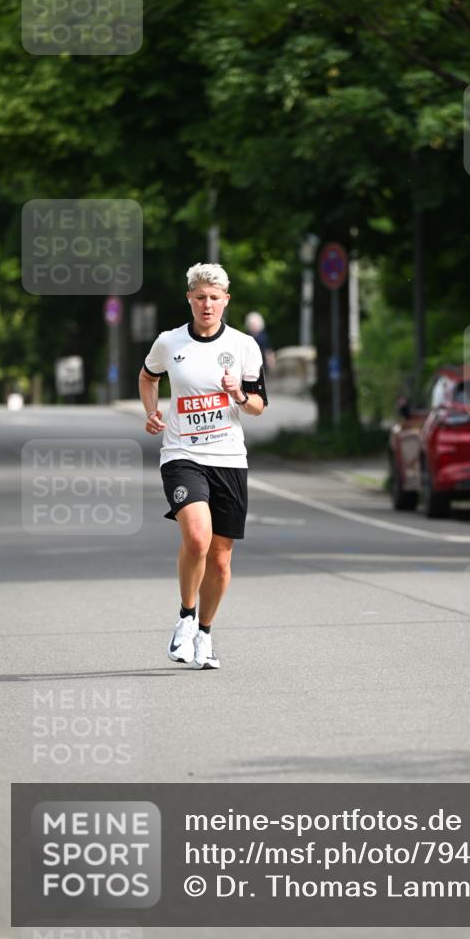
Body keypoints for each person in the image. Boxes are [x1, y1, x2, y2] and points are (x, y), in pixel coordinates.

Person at [138, 263, 268, 669]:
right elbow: (148, 377)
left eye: (214, 298)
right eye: (200, 298)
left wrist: (238, 395)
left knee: (221, 559)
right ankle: (186, 617)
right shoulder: (169, 342)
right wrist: (151, 411)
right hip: (183, 455)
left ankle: (205, 635)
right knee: (197, 539)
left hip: (229, 458)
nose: (207, 304)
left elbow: (259, 406)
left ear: (226, 300)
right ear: (189, 300)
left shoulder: (244, 345)